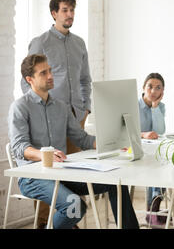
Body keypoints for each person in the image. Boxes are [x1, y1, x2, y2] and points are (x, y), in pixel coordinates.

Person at [9, 54, 139, 229]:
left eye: (50, 70)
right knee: (74, 206)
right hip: (32, 178)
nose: (50, 76)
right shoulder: (20, 107)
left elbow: (82, 138)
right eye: (43, 73)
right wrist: (44, 155)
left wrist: (114, 143)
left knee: (116, 183)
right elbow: (19, 147)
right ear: (29, 79)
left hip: (62, 173)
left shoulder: (61, 107)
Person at [20, 0, 92, 226]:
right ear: (54, 13)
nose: (70, 15)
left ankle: (68, 220)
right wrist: (36, 110)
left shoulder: (79, 43)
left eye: (72, 10)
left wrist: (85, 108)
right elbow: (26, 79)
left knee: (73, 172)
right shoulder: (41, 42)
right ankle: (43, 222)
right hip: (47, 115)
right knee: (47, 173)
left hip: (75, 116)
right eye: (65, 10)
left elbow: (85, 79)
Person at [138, 73, 166, 226]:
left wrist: (155, 108)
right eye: (150, 86)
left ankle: (155, 208)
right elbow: (124, 131)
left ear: (162, 91)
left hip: (152, 150)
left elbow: (160, 131)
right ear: (143, 88)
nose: (153, 91)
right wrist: (143, 134)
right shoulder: (134, 105)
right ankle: (152, 210)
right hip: (136, 149)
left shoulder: (161, 106)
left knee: (167, 163)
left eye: (158, 88)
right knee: (156, 166)